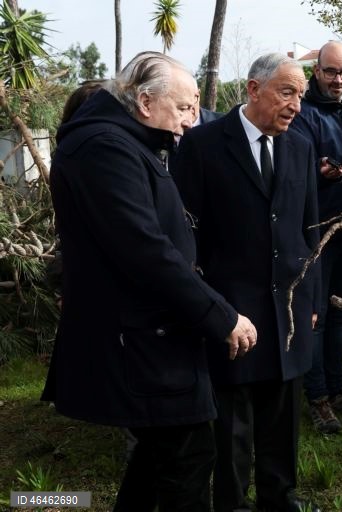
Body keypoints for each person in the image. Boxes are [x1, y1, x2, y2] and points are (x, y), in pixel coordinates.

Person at [41, 51, 257, 512]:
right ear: (143, 101)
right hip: (141, 343)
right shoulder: (105, 149)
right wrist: (220, 316)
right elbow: (145, 250)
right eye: (183, 107)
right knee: (188, 456)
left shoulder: (129, 141)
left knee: (161, 458)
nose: (191, 119)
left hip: (155, 339)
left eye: (196, 105)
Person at [174, 53, 321, 512]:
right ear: (254, 90)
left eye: (300, 94)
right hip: (230, 307)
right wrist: (207, 306)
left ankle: (281, 498)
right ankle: (233, 504)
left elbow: (311, 229)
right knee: (232, 421)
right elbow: (184, 233)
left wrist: (311, 297)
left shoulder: (300, 146)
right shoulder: (202, 145)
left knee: (283, 416)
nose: (296, 104)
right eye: (286, 92)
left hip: (289, 306)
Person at [289, 41, 342, 434]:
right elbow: (292, 175)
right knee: (316, 318)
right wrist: (317, 176)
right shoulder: (303, 115)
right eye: (331, 72)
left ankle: (337, 389)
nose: (338, 79)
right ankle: (318, 398)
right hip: (317, 233)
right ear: (317, 72)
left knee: (340, 314)